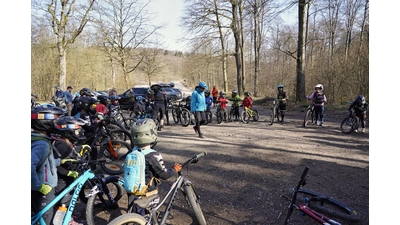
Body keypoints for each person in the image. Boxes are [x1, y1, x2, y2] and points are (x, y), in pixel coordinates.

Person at [127, 118, 182, 215]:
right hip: (148, 193)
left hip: (133, 191)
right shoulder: (152, 155)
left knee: (136, 215)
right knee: (149, 216)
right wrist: (174, 170)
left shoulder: (133, 152)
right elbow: (164, 174)